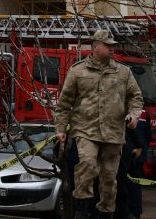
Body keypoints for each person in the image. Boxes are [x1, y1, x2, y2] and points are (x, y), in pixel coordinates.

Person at [54, 29, 144, 219]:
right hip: (86, 130)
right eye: (108, 45)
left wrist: (134, 115)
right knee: (87, 165)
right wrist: (61, 129)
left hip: (114, 132)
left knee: (109, 176)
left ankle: (106, 213)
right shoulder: (78, 71)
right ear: (95, 47)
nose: (112, 48)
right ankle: (81, 209)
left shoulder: (123, 72)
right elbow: (65, 103)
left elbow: (136, 97)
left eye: (113, 45)